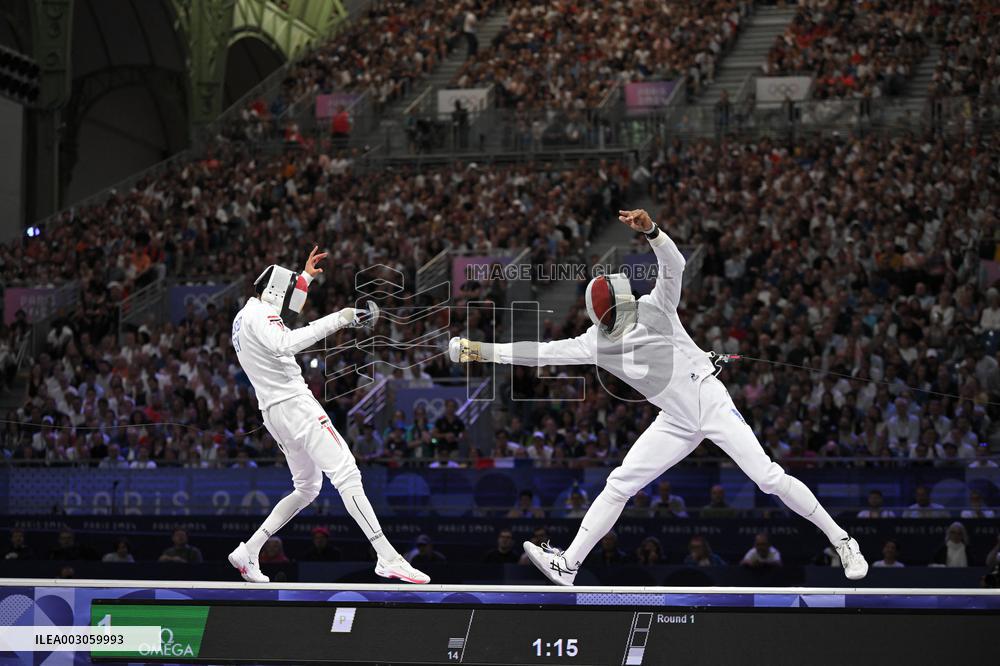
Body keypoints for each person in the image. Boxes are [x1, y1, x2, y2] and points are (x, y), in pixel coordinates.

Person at [450, 209, 867, 585]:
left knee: (768, 477)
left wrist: (652, 231)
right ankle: (569, 563)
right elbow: (535, 353)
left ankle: (843, 540)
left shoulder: (658, 306)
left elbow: (675, 264)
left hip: (709, 400)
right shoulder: (595, 342)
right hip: (675, 419)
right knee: (619, 484)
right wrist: (477, 350)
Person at [228, 247, 427, 584]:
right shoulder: (260, 316)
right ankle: (387, 556)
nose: (291, 297)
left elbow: (287, 313)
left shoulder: (244, 317)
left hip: (274, 413)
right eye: (288, 289)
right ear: (274, 290)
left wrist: (304, 278)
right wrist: (342, 316)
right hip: (295, 406)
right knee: (347, 473)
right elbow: (285, 343)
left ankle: (250, 549)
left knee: (307, 488)